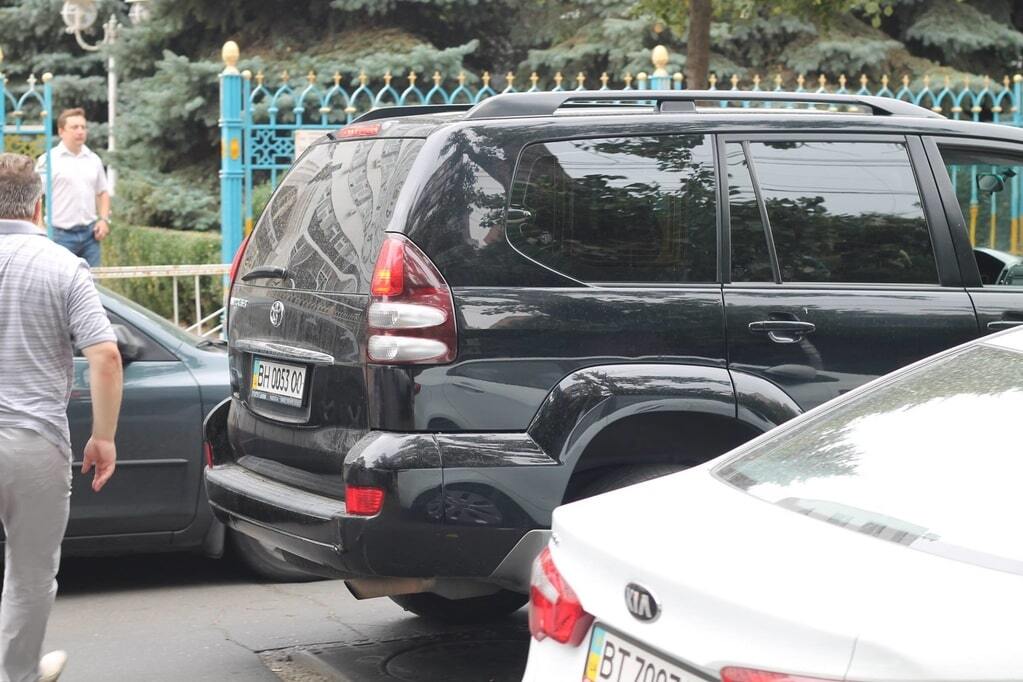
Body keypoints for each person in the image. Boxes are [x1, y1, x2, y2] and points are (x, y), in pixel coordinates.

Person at [0, 153, 122, 682]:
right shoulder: (62, 265)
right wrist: (103, 437)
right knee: (29, 575)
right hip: (35, 442)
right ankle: (17, 674)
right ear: (39, 205)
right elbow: (106, 356)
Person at [35, 108, 111, 267]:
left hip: (90, 236)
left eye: (83, 127)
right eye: (75, 127)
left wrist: (103, 220)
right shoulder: (47, 160)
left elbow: (102, 192)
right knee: (59, 286)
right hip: (59, 236)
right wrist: (40, 226)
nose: (80, 131)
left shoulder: (93, 159)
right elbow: (34, 196)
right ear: (61, 131)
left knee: (91, 286)